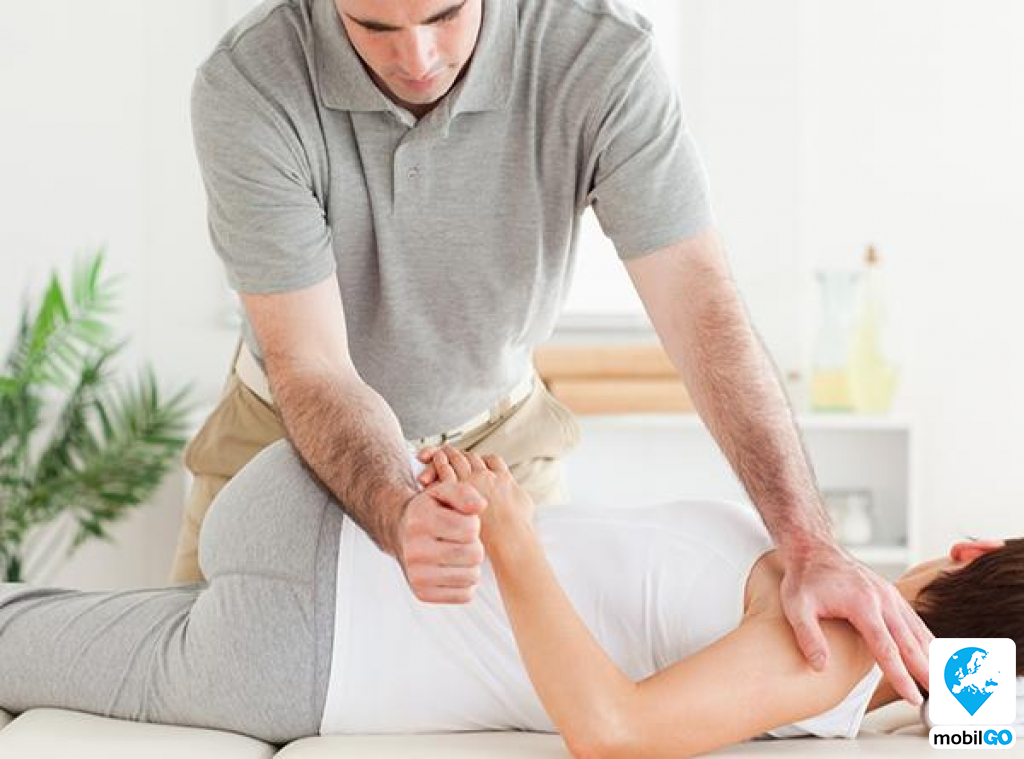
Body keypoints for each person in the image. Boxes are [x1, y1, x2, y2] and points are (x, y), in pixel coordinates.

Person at [174, 0, 931, 704]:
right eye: (375, 27)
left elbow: (702, 312)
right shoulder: (251, 83)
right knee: (201, 704)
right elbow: (312, 364)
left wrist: (809, 543)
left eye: (446, 13)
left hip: (498, 449)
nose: (419, 57)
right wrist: (397, 509)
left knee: (523, 708)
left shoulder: (599, 56)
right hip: (287, 439)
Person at [1, 442, 1020, 753]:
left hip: (315, 585)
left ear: (969, 549)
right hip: (320, 605)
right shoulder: (840, 615)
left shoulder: (841, 645)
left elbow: (613, 732)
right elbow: (986, 723)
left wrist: (512, 535)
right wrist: (965, 690)